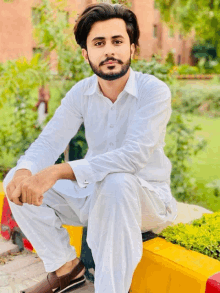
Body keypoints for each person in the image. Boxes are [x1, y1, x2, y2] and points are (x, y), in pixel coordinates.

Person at [3, 3, 178, 293]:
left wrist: (59, 171)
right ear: (86, 53)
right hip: (94, 196)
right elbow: (48, 142)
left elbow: (133, 157)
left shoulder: (153, 91)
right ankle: (66, 269)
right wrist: (25, 171)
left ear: (132, 48)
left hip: (145, 200)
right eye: (99, 43)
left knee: (117, 182)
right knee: (15, 180)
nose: (109, 51)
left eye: (117, 41)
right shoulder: (81, 93)